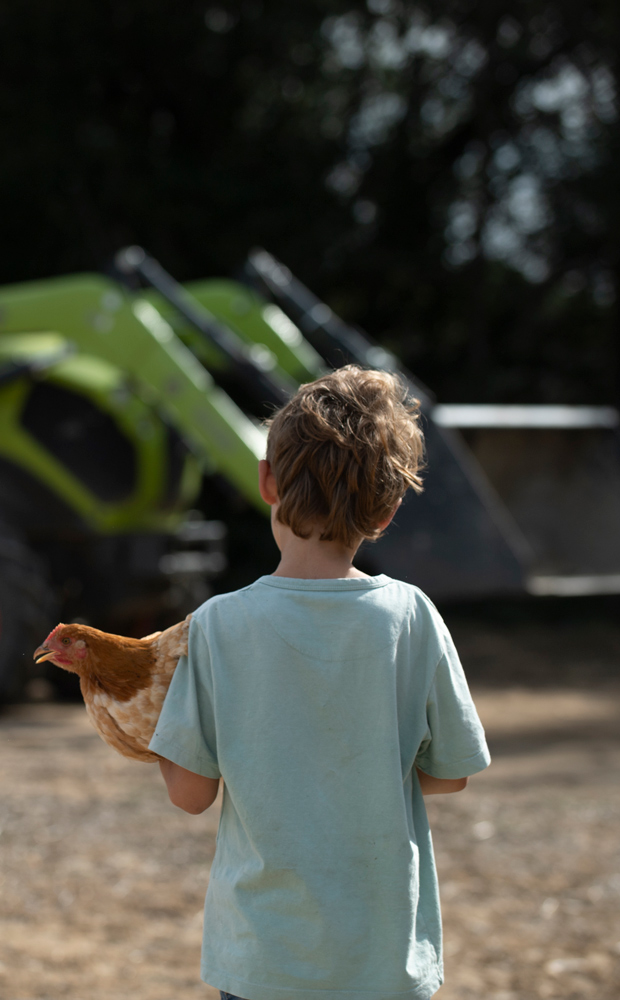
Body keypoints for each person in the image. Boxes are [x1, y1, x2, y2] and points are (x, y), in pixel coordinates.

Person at [149, 365, 490, 1000]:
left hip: (262, 961)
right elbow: (451, 774)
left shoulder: (218, 625)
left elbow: (191, 794)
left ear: (267, 481)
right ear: (386, 511)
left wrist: (152, 725)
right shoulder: (412, 615)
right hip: (382, 961)